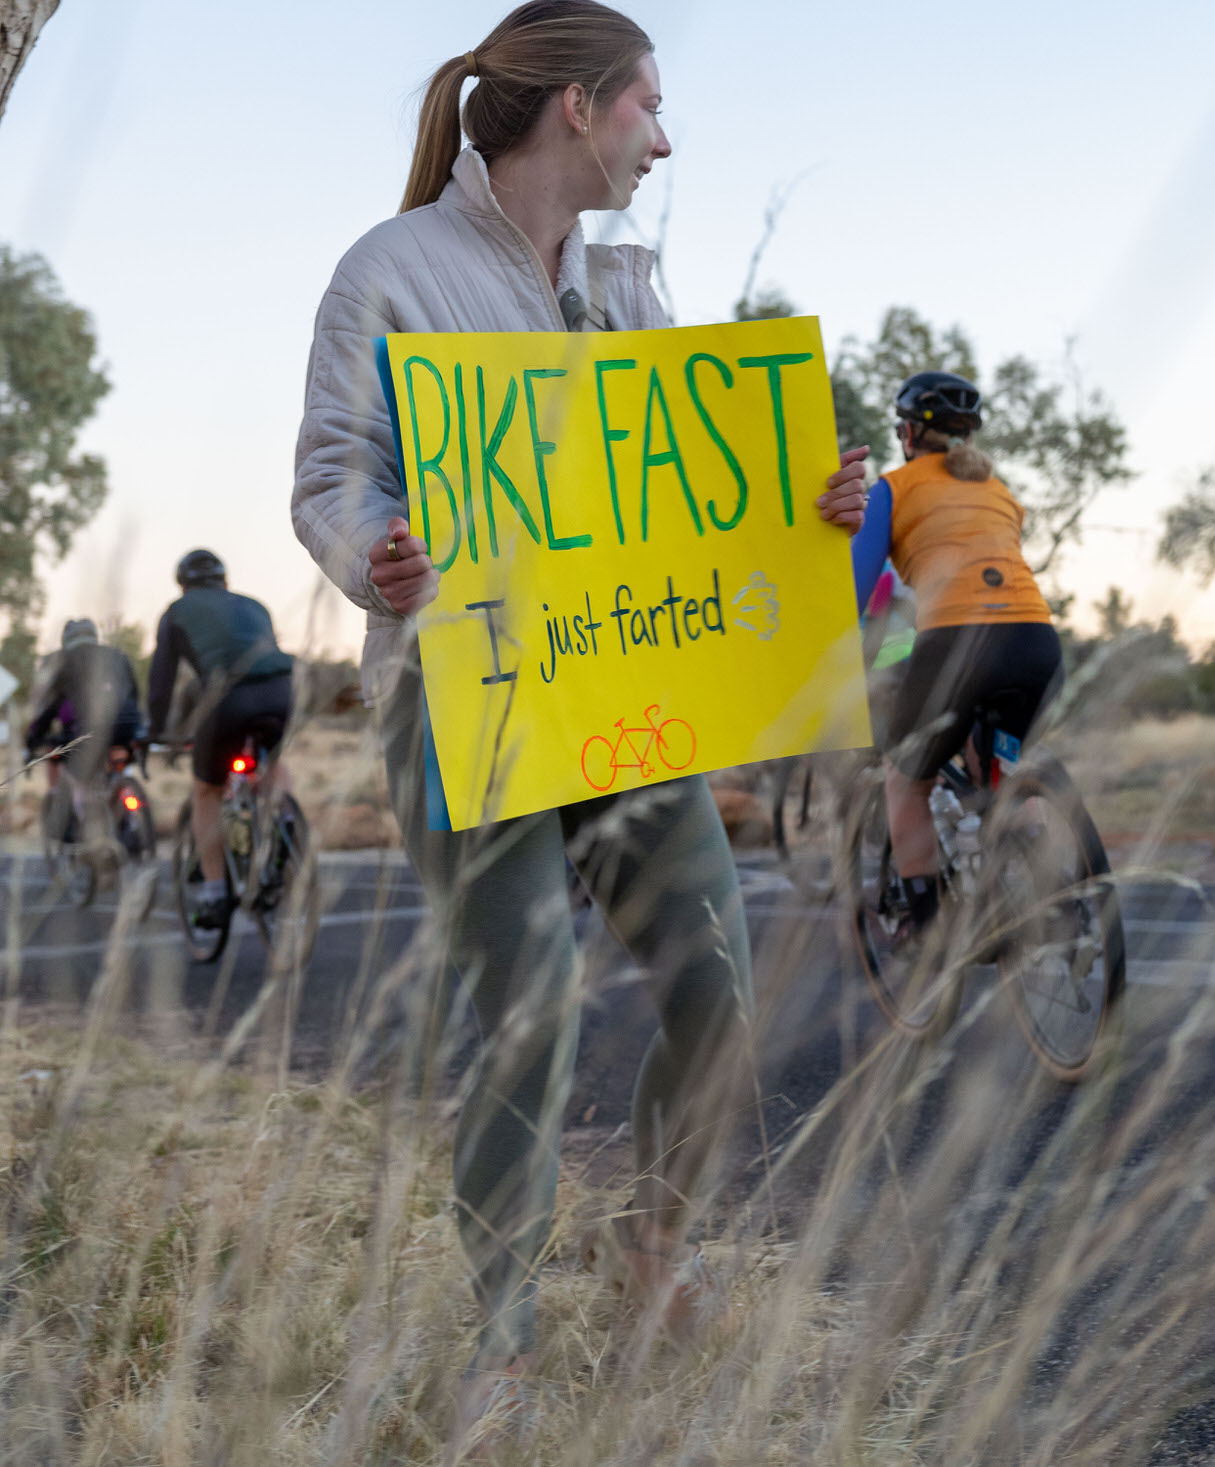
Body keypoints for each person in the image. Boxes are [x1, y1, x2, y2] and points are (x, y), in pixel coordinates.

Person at [287, 0, 869, 1418]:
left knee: (722, 977)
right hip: (464, 693)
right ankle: (503, 1339)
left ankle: (654, 1244)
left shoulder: (626, 278)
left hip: (619, 683)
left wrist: (807, 503)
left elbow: (673, 488)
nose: (664, 141)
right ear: (576, 109)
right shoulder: (393, 270)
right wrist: (377, 548)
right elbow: (330, 473)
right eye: (647, 109)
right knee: (530, 997)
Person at [847, 371, 1062, 941]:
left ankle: (929, 932)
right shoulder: (1000, 491)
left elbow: (856, 588)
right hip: (1036, 642)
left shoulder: (893, 487)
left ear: (911, 433)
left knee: (903, 780)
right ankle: (1052, 891)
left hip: (955, 644)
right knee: (1003, 771)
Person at [147, 549, 296, 928]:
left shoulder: (175, 613)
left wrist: (156, 730)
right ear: (224, 580)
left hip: (227, 697)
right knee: (272, 758)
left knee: (207, 792)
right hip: (284, 689)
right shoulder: (254, 605)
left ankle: (215, 892)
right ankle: (284, 816)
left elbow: (162, 682)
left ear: (183, 585)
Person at [24, 619, 147, 837]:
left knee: (80, 779)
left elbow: (49, 707)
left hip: (91, 730)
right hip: (129, 727)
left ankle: (90, 835)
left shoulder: (62, 660)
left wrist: (33, 738)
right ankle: (132, 822)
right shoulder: (117, 655)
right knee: (114, 771)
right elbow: (134, 694)